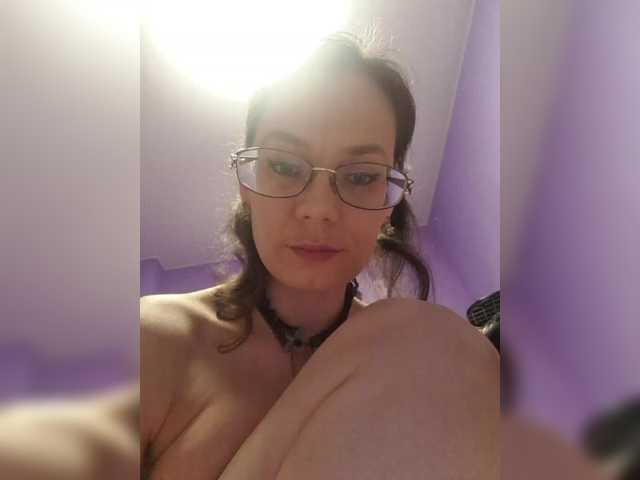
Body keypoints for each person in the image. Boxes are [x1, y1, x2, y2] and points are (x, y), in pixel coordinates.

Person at [141, 33, 498, 479]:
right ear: (247, 186)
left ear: (387, 206)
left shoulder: (418, 355)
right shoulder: (154, 340)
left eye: (361, 176)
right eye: (284, 166)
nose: (319, 210)